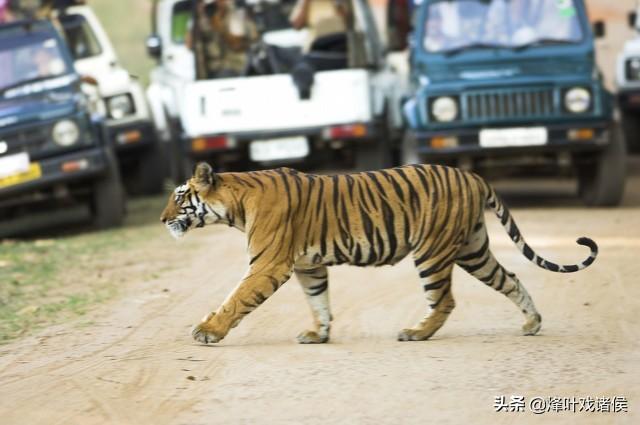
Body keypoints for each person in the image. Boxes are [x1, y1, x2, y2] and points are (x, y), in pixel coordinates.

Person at [193, 0, 257, 78]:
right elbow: (189, 45)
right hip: (211, 68)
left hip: (233, 66)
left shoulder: (235, 14)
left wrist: (218, 25)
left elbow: (237, 45)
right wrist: (195, 19)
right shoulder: (204, 19)